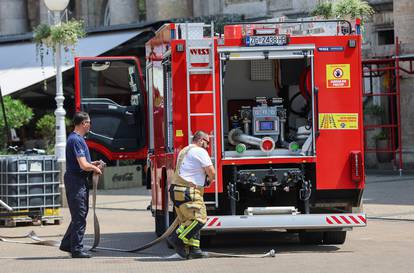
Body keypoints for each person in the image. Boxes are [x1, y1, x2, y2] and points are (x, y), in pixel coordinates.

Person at [59, 111, 103, 258]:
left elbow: (84, 163)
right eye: (89, 122)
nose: (90, 125)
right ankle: (76, 249)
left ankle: (67, 243)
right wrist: (94, 168)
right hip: (76, 181)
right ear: (83, 123)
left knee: (80, 214)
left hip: (77, 180)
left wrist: (93, 164)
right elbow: (83, 165)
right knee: (79, 216)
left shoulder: (76, 139)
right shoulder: (76, 140)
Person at [169, 130, 216, 259]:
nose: (207, 146)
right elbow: (212, 172)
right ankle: (177, 238)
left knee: (188, 220)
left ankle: (194, 249)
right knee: (199, 219)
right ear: (201, 140)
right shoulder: (200, 151)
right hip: (187, 191)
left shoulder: (185, 150)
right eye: (207, 143)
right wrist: (209, 180)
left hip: (176, 191)